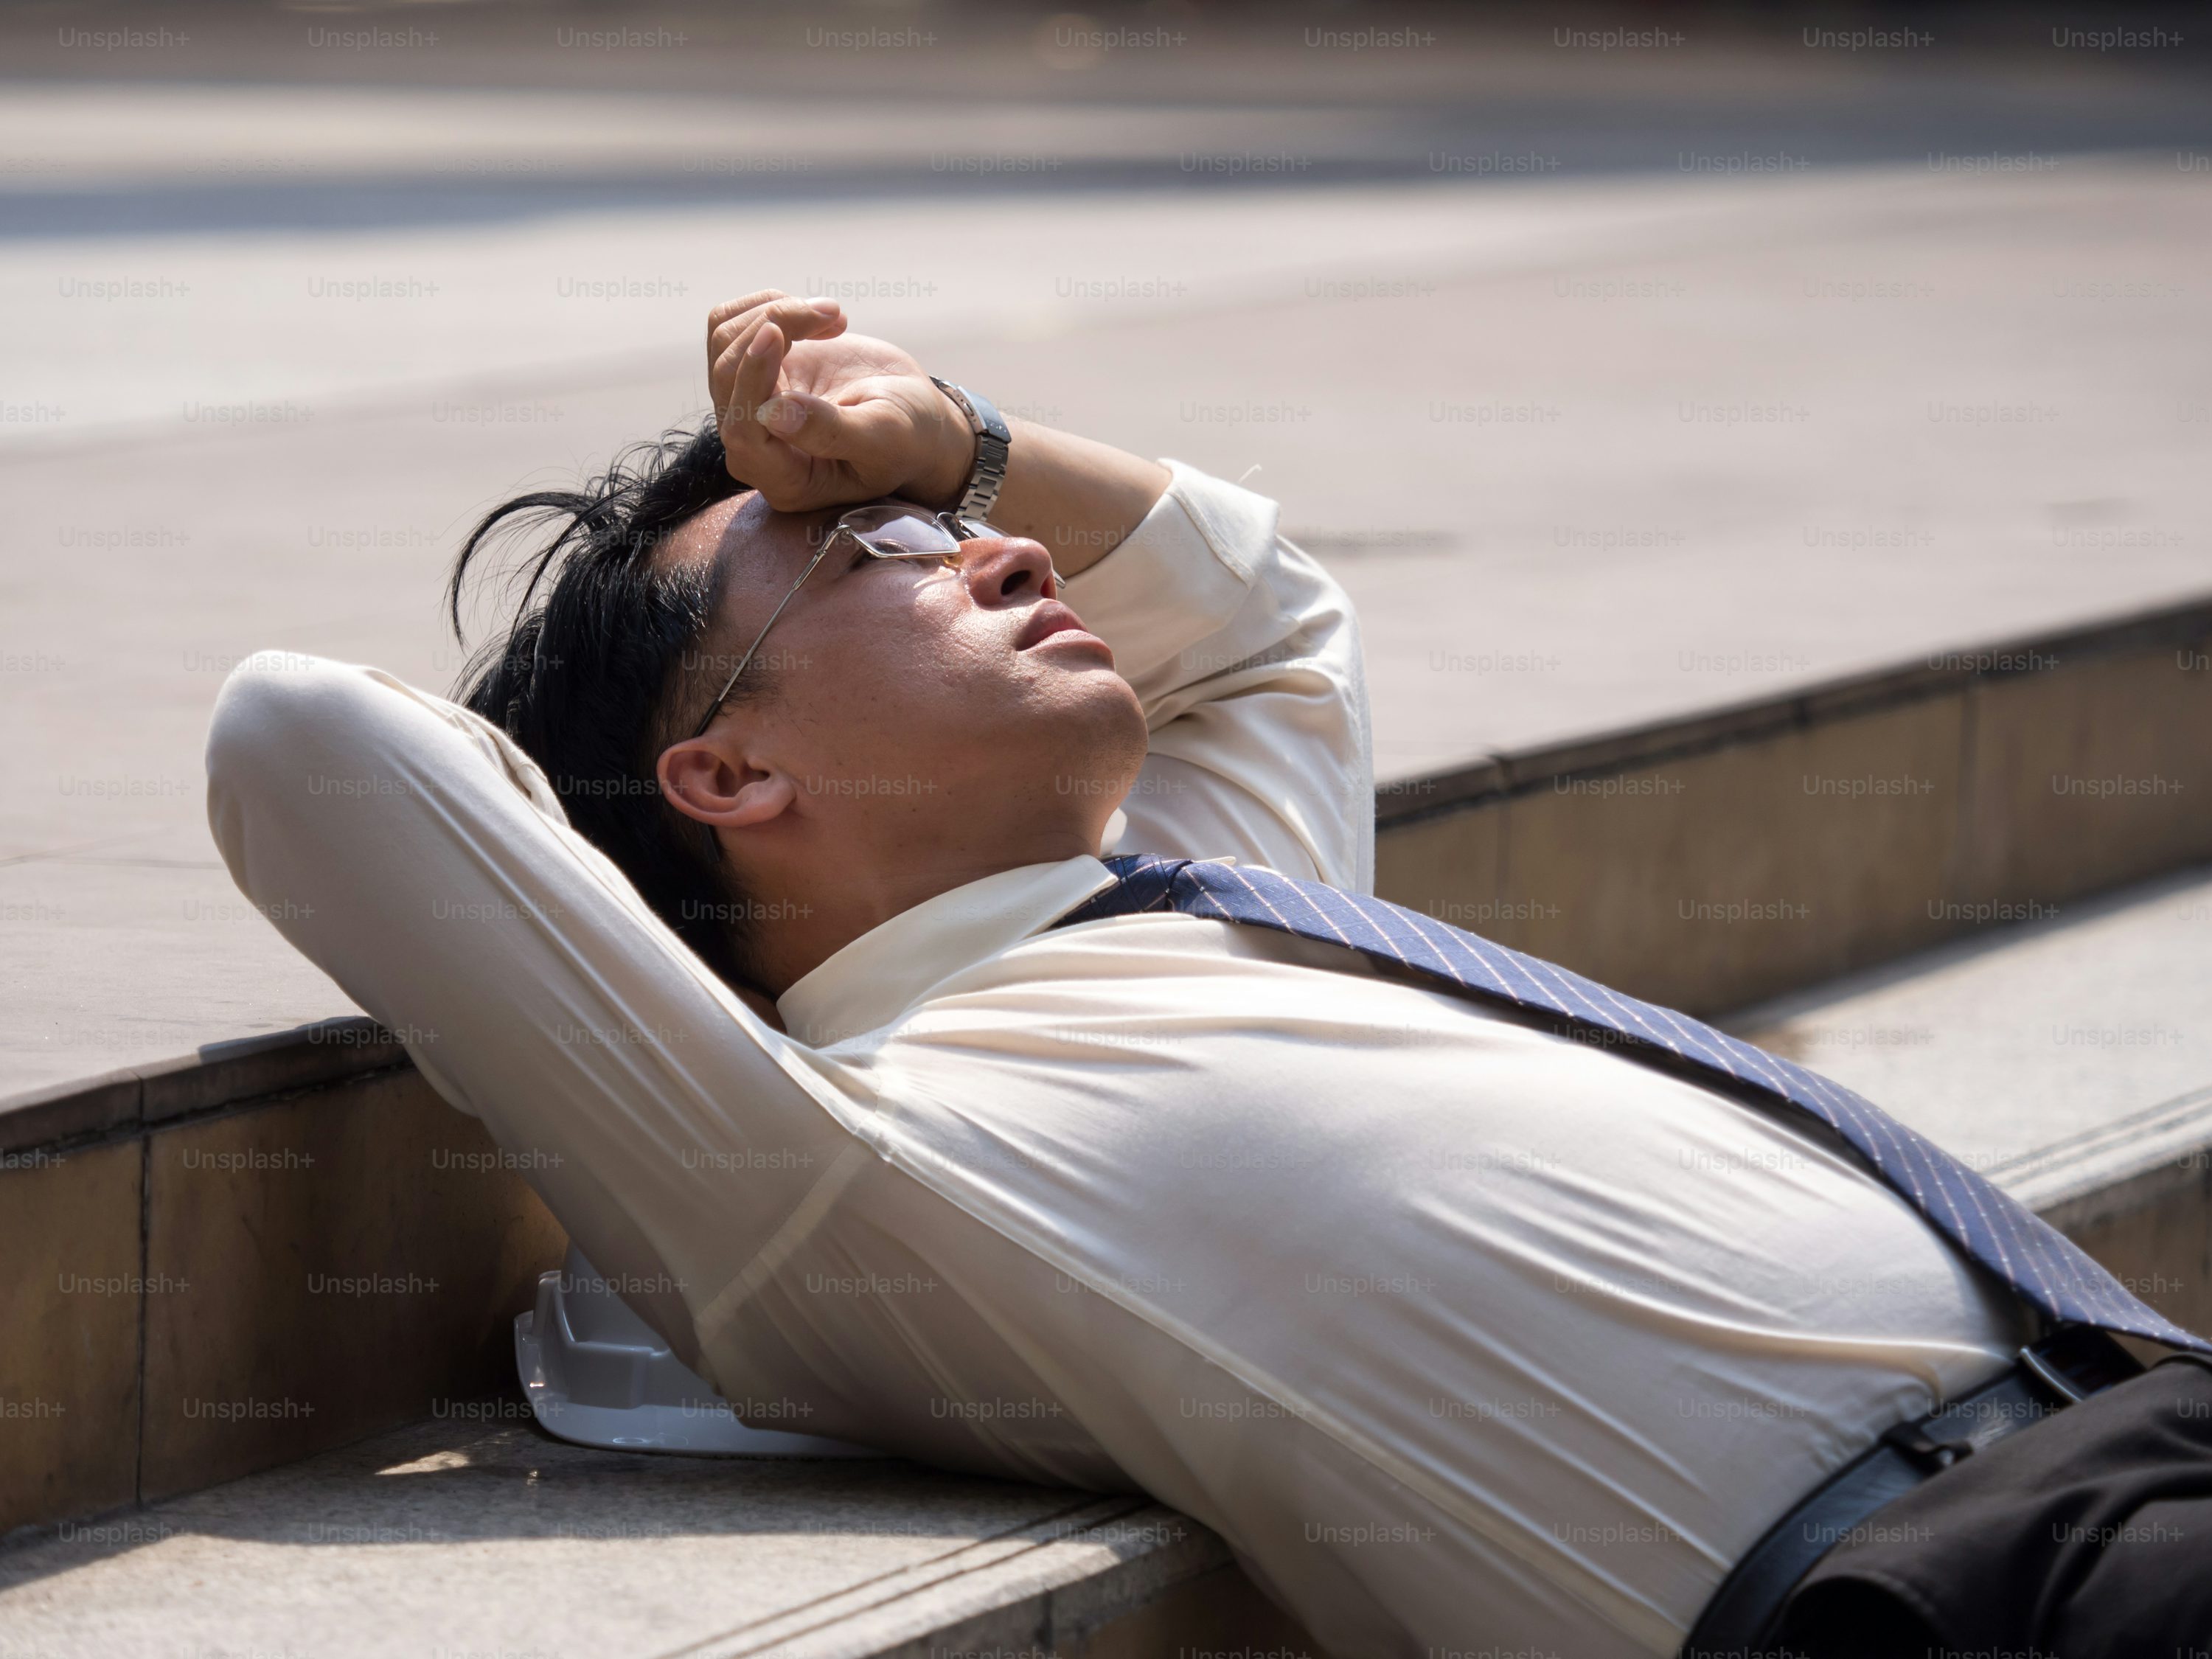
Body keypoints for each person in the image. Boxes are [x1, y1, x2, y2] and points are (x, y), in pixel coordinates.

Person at [206, 292, 2212, 1658]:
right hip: (1984, 1598)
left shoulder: (1212, 899)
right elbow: (302, 739)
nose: (1008, 550)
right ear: (726, 774)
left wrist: (951, 440)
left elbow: (1267, 624)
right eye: (885, 556)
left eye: (955, 524)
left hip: (2148, 1435)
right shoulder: (846, 1159)